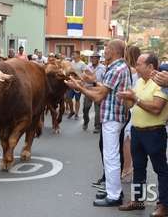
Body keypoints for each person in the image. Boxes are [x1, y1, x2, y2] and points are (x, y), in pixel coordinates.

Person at [65, 39, 131, 207]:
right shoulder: (119, 67)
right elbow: (103, 90)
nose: (104, 51)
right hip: (115, 116)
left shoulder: (116, 68)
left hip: (112, 118)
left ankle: (114, 195)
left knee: (111, 157)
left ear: (114, 51)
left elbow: (99, 96)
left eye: (107, 48)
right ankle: (112, 190)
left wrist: (80, 88)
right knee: (111, 156)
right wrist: (86, 83)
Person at [117, 53, 168, 216]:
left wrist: (135, 99)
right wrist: (127, 98)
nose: (136, 66)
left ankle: (164, 205)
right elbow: (133, 102)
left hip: (154, 132)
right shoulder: (138, 81)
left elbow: (156, 108)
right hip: (137, 132)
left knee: (161, 170)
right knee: (138, 168)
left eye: (139, 64)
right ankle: (138, 201)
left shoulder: (161, 83)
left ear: (150, 67)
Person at [121, 45, 140, 183]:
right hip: (136, 104)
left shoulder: (129, 70)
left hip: (130, 104)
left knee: (127, 139)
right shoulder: (138, 71)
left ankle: (127, 168)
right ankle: (130, 166)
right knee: (131, 138)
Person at [82, 53, 106, 133]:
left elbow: (104, 79)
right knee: (86, 108)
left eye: (95, 58)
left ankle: (97, 126)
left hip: (98, 90)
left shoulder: (103, 68)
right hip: (88, 89)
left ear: (98, 59)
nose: (93, 59)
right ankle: (86, 121)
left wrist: (95, 81)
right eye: (92, 58)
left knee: (98, 109)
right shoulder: (87, 67)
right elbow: (84, 77)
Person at [67, 51, 87, 120]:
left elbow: (84, 75)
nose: (73, 55)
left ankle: (76, 114)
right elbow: (69, 71)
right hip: (71, 82)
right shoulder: (71, 62)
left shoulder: (82, 64)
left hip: (78, 83)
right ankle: (72, 111)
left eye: (74, 54)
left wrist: (76, 73)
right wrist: (69, 71)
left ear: (78, 55)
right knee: (68, 98)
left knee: (77, 99)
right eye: (73, 54)